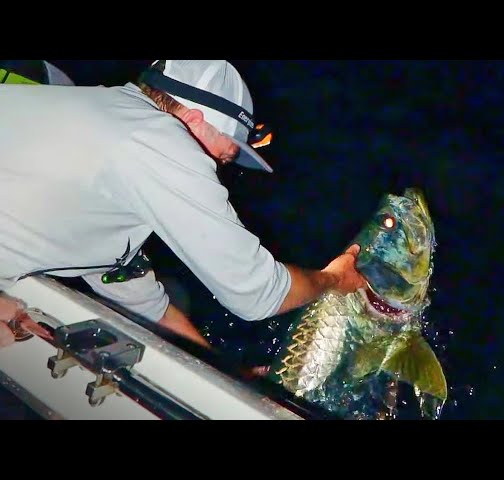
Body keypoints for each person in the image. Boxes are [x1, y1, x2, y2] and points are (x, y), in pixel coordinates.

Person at [0, 60, 366, 349]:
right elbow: (257, 294)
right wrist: (332, 278)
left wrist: (223, 373)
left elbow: (142, 300)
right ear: (194, 119)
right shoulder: (158, 139)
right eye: (230, 148)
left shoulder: (102, 117)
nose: (226, 161)